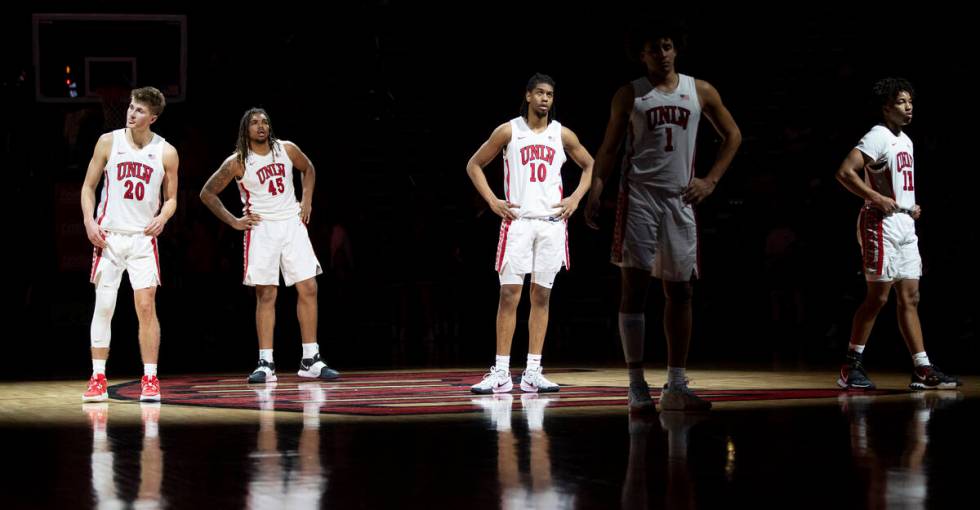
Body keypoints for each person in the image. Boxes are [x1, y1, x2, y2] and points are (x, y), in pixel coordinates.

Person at [585, 24, 741, 411]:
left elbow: (733, 135)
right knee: (635, 289)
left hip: (680, 199)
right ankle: (636, 384)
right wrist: (595, 190)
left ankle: (676, 384)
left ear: (677, 50)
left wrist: (711, 180)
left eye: (667, 47)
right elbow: (608, 149)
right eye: (654, 49)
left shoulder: (699, 89)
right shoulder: (630, 93)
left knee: (681, 290)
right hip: (639, 197)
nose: (663, 54)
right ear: (641, 55)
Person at [466, 73, 594, 394]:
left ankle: (534, 371)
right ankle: (501, 371)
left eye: (549, 94)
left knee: (542, 296)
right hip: (518, 223)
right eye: (539, 93)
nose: (544, 99)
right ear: (527, 96)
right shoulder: (509, 130)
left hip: (551, 224)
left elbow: (591, 165)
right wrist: (493, 201)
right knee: (509, 295)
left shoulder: (561, 134)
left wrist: (576, 199)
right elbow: (474, 165)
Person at [834, 77, 961, 391]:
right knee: (878, 297)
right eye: (902, 102)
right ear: (886, 107)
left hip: (904, 225)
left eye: (911, 102)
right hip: (880, 224)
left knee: (911, 297)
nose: (909, 108)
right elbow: (844, 172)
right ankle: (850, 367)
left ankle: (922, 368)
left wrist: (909, 205)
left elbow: (899, 184)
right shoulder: (877, 136)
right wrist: (876, 198)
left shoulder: (906, 140)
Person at [200, 108, 339, 383]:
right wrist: (234, 221)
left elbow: (308, 168)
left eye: (265, 121)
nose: (261, 126)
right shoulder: (238, 161)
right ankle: (266, 362)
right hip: (262, 228)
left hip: (291, 223)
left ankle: (311, 358)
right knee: (266, 294)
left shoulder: (286, 149)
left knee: (309, 286)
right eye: (254, 122)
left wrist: (307, 199)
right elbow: (207, 193)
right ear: (245, 129)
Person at [81, 86, 179, 402]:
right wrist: (88, 221)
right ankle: (97, 377)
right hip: (108, 236)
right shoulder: (108, 142)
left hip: (142, 238)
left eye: (139, 110)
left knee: (147, 306)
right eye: (131, 107)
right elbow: (88, 187)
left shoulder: (166, 151)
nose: (131, 113)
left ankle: (150, 378)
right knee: (105, 305)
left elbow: (172, 198)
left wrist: (163, 217)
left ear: (152, 117)